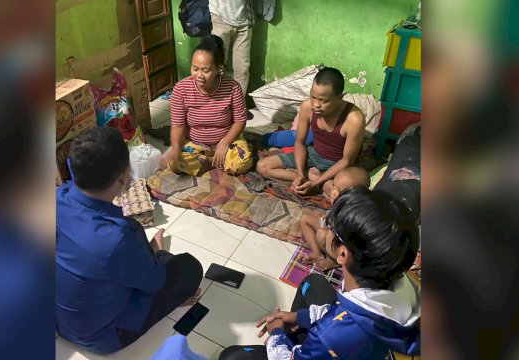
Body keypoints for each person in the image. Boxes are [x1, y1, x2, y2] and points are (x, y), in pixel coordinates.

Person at [219, 186, 421, 359]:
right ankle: (299, 334)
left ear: (342, 254)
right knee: (312, 283)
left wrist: (276, 334)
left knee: (231, 356)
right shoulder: (401, 278)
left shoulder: (330, 336)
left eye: (330, 228)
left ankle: (296, 339)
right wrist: (300, 318)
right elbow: (348, 314)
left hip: (333, 346)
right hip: (357, 343)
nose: (324, 229)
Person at [56, 127, 203, 354]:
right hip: (103, 337)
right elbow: (154, 282)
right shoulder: (118, 235)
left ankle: (150, 255)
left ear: (71, 169)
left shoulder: (53, 199)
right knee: (189, 268)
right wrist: (157, 255)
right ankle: (158, 254)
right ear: (124, 176)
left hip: (60, 321)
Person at [256, 67, 369, 201]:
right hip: (313, 154)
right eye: (313, 96)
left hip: (337, 164)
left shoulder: (354, 119)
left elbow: (347, 160)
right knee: (262, 167)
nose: (315, 105)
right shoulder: (307, 107)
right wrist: (299, 173)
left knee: (347, 190)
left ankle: (317, 180)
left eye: (323, 100)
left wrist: (315, 182)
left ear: (340, 97)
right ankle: (315, 179)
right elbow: (299, 142)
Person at [161, 35, 253, 176]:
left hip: (225, 139)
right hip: (195, 143)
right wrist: (175, 148)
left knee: (242, 161)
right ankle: (212, 162)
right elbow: (178, 125)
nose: (199, 75)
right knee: (174, 161)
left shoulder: (232, 87)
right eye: (195, 69)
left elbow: (240, 120)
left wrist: (225, 143)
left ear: (218, 68)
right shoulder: (181, 89)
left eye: (206, 70)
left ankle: (208, 161)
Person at [208, 0, 253, 96]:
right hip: (219, 17)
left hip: (244, 20)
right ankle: (217, 105)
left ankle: (238, 105)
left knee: (242, 69)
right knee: (217, 66)